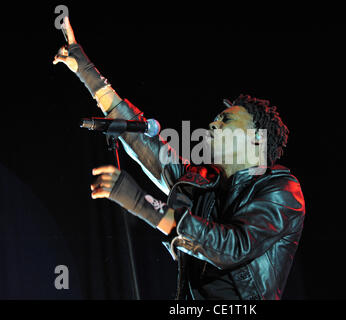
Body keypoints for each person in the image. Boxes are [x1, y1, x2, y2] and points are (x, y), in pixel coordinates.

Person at [53, 17, 305, 300]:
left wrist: (140, 202)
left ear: (257, 137)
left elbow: (234, 247)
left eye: (226, 119)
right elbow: (140, 138)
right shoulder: (199, 183)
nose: (212, 124)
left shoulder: (282, 190)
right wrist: (84, 68)